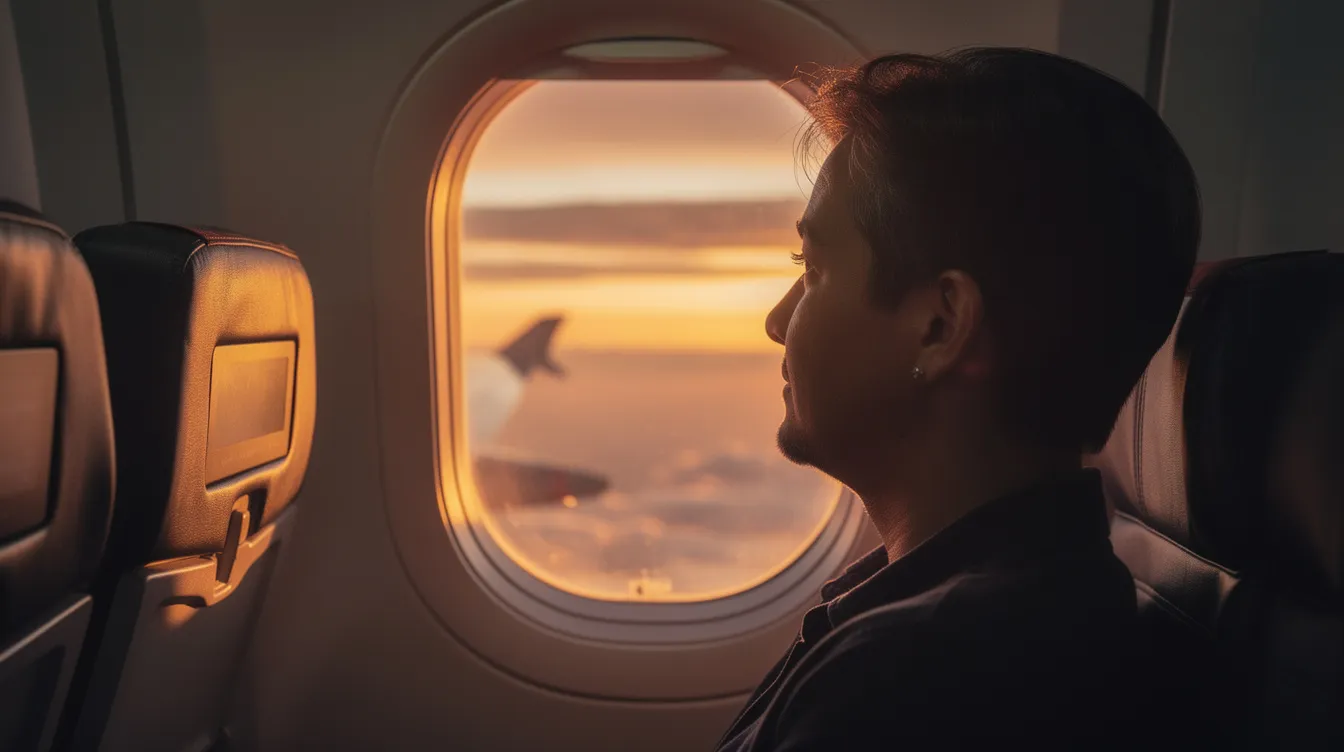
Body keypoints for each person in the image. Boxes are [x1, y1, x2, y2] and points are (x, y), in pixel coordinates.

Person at [716, 48, 1200, 750]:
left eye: (813, 268)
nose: (777, 321)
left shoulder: (907, 683)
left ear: (941, 326)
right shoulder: (991, 612)